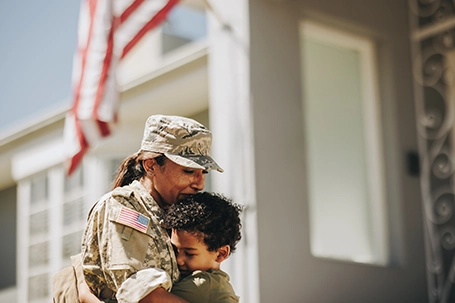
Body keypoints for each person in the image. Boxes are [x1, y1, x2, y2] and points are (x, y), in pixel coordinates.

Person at [53, 114, 223, 303]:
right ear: (151, 165)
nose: (199, 184)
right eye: (189, 171)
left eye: (203, 172)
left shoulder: (178, 213)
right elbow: (146, 297)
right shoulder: (123, 208)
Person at [164, 191, 242, 303]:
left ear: (221, 254)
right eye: (175, 250)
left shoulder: (202, 285)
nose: (178, 260)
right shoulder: (217, 283)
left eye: (189, 254)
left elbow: (150, 298)